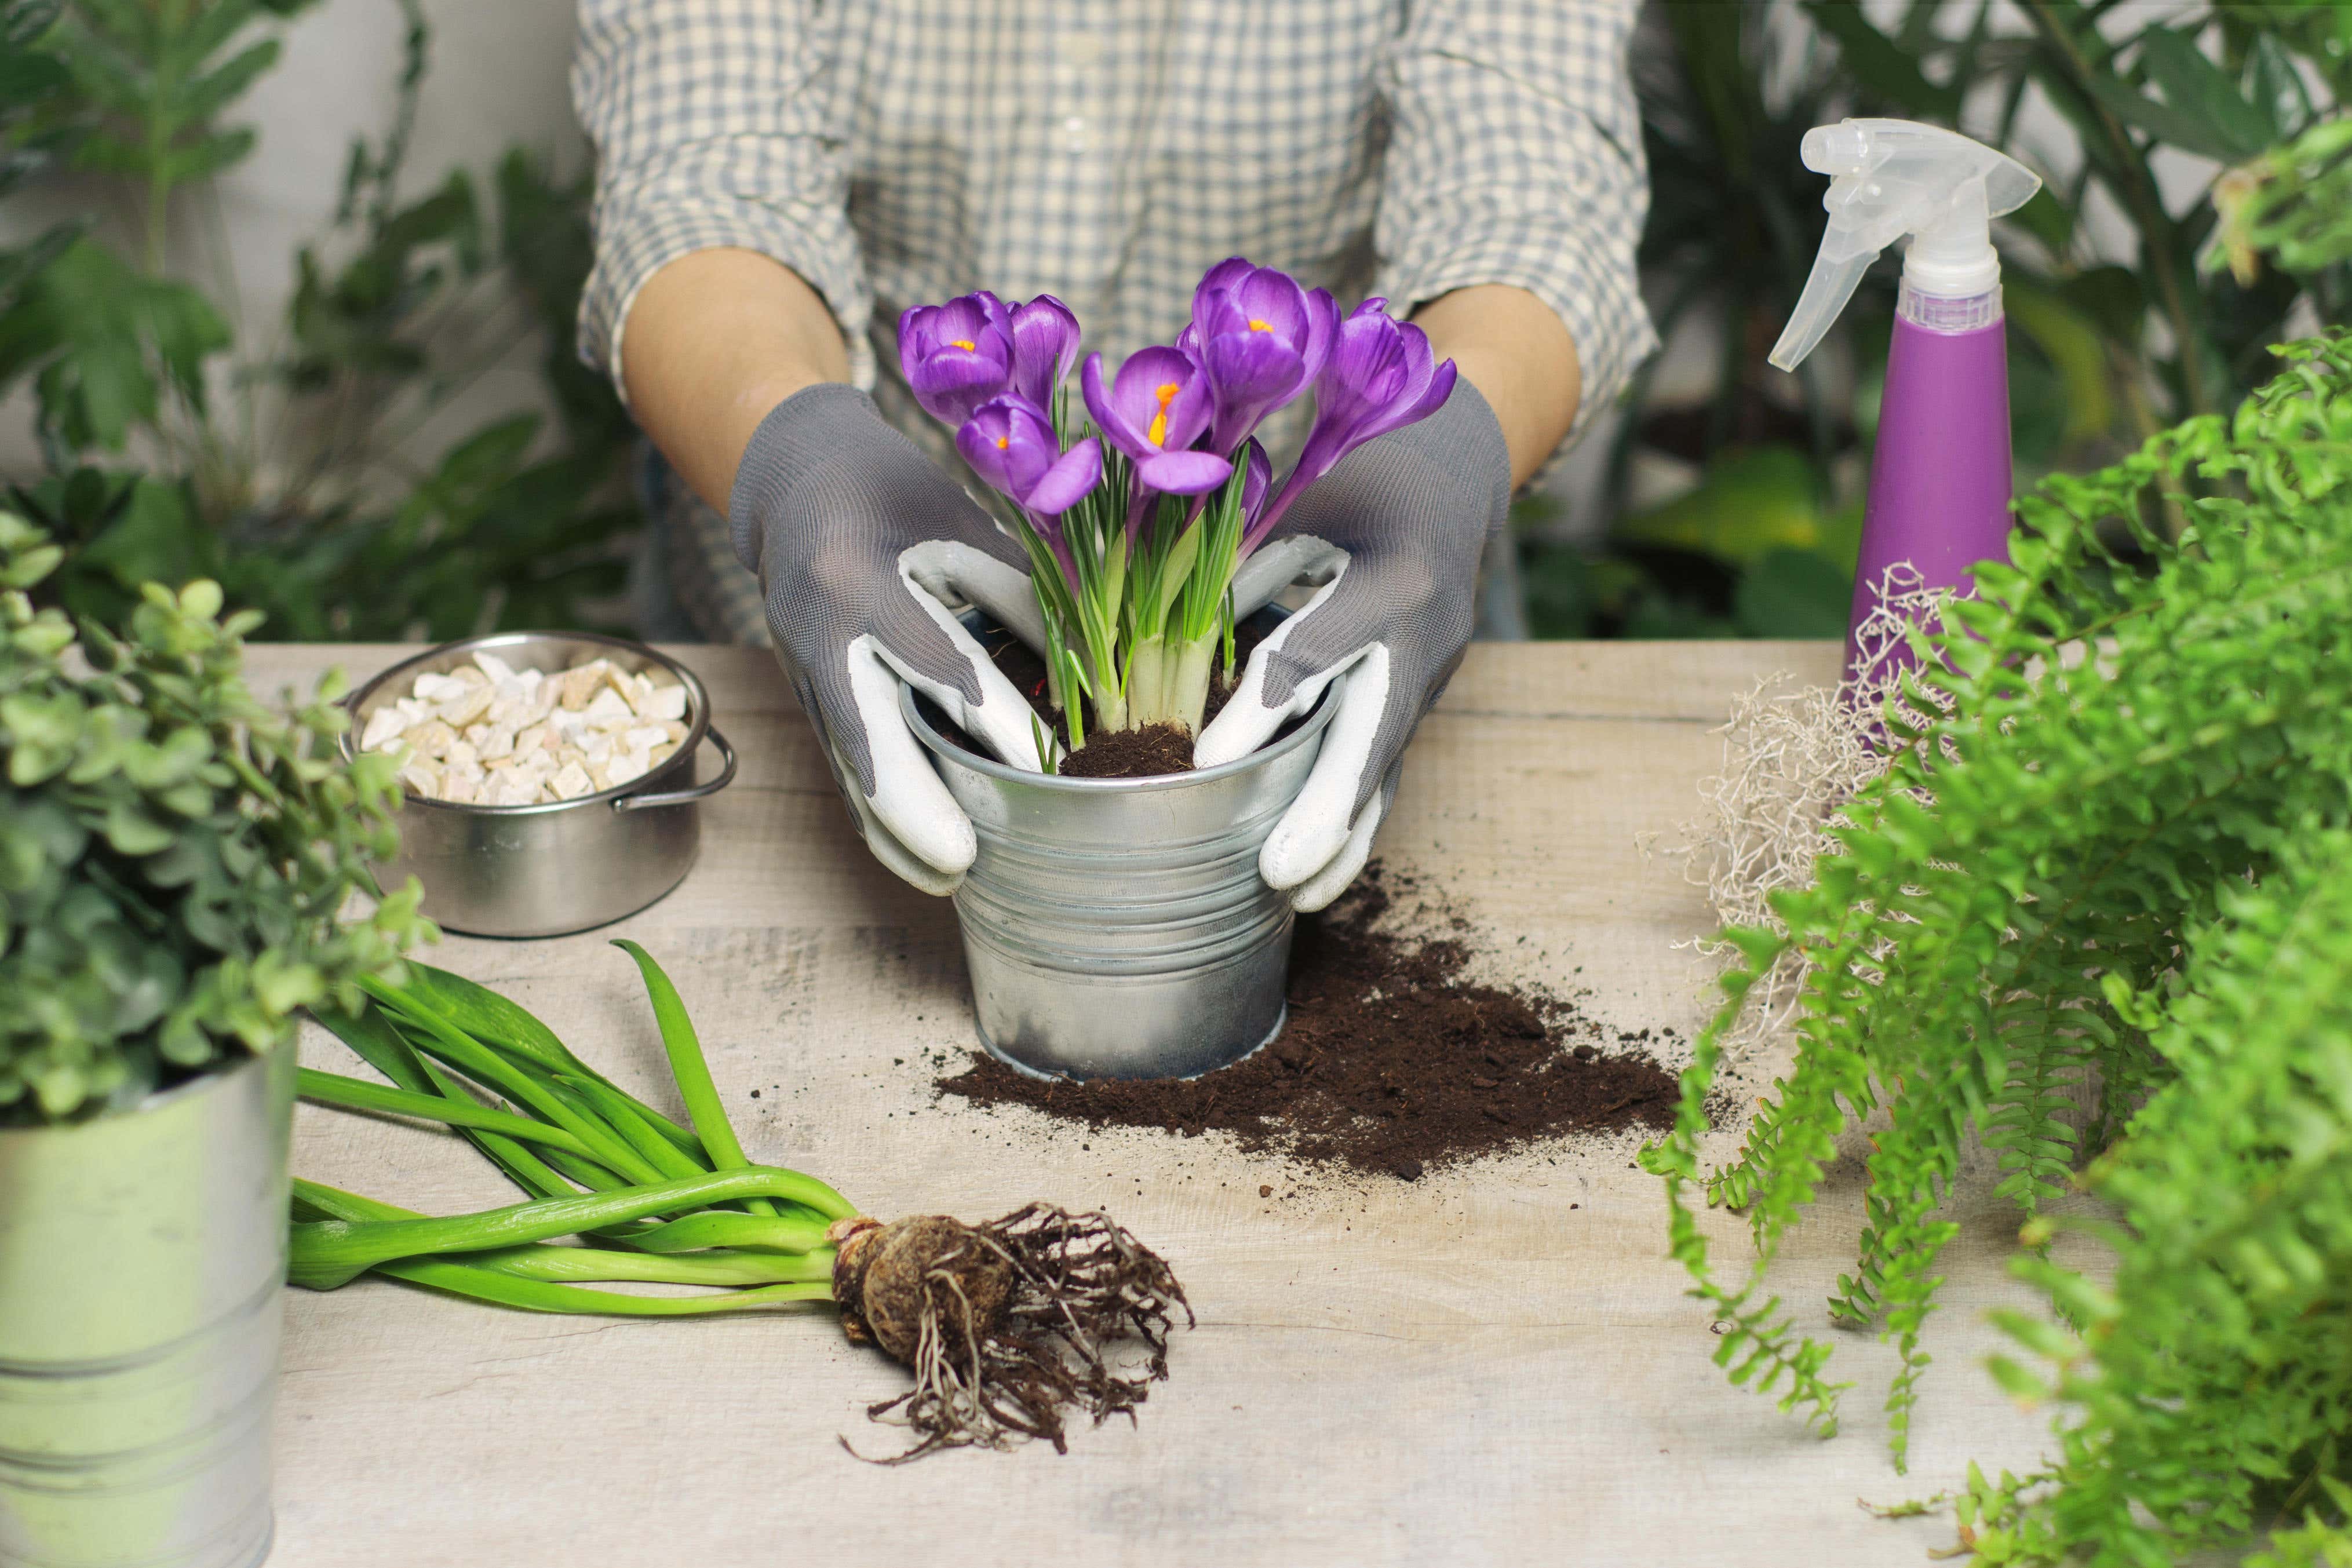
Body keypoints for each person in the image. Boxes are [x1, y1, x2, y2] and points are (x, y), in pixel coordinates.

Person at [572, 2, 1655, 909]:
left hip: (1351, 596)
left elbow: (1531, 187)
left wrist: (1435, 468)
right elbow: (701, 170)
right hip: (835, 596)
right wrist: (805, 466)